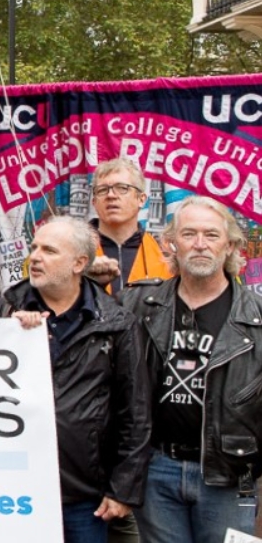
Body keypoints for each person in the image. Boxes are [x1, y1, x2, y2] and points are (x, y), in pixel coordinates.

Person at [0, 215, 150, 543]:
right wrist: (10, 330)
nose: (35, 257)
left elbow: (135, 413)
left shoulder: (117, 322)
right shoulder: (6, 309)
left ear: (80, 262)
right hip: (16, 490)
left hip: (84, 495)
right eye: (34, 247)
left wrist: (124, 488)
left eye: (49, 250)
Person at [119, 197, 261, 543]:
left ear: (230, 245)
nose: (200, 244)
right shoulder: (138, 303)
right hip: (156, 471)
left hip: (229, 475)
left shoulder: (256, 316)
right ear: (172, 242)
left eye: (211, 235)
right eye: (189, 234)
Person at [87, 159, 171, 295]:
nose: (111, 195)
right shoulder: (75, 249)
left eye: (122, 188)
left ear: (141, 199)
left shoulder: (162, 254)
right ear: (94, 202)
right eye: (102, 190)